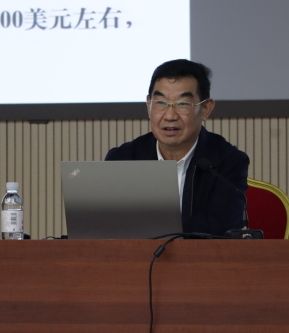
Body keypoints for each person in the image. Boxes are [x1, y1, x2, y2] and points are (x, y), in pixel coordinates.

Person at [105, 59, 249, 236]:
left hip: (200, 254)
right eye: (161, 103)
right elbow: (108, 225)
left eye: (182, 104)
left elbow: (222, 227)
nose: (170, 116)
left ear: (205, 109)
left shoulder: (227, 161)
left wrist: (146, 224)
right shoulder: (123, 159)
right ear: (149, 105)